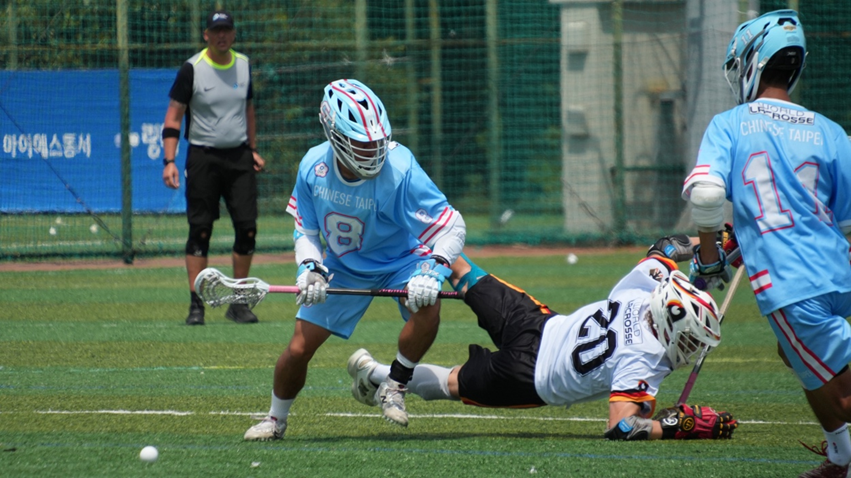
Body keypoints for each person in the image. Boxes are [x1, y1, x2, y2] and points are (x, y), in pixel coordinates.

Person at [346, 235, 738, 441]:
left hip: (537, 323)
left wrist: (716, 243)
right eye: (690, 339)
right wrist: (677, 427)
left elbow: (668, 246)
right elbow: (621, 427)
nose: (692, 348)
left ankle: (395, 250)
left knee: (457, 266)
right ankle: (375, 373)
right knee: (451, 383)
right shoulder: (646, 360)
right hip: (531, 376)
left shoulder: (647, 288)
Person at [242, 79, 466, 440]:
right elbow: (306, 231)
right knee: (298, 348)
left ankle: (395, 383)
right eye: (361, 144)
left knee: (428, 306)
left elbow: (452, 226)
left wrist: (433, 269)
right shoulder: (313, 166)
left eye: (377, 142)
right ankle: (275, 419)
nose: (372, 152)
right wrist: (310, 269)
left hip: (402, 259)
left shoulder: (401, 168)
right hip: (344, 265)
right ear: (334, 136)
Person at [683, 10, 851, 478]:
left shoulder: (731, 123)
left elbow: (707, 194)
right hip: (837, 271)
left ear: (751, 62)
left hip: (791, 285)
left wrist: (710, 260)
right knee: (792, 352)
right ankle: (841, 458)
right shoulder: (830, 130)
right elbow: (838, 218)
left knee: (842, 392)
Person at [161, 10, 266, 326]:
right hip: (203, 158)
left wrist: (253, 149)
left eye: (226, 30)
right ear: (206, 35)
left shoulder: (243, 65)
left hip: (239, 157)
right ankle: (197, 305)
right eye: (215, 30)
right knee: (200, 230)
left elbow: (248, 110)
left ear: (233, 34)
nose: (222, 35)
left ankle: (239, 303)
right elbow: (173, 117)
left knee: (247, 228)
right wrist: (169, 161)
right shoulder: (192, 69)